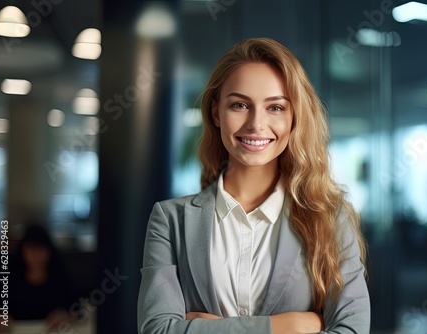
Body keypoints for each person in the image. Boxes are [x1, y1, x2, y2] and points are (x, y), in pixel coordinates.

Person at [138, 37, 370, 334]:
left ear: (294, 116)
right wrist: (289, 325)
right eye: (239, 105)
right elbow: (157, 330)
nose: (256, 124)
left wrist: (208, 327)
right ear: (215, 113)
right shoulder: (170, 220)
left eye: (275, 108)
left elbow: (352, 330)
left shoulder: (330, 217)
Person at [0, 224, 79, 332]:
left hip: (51, 330)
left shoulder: (60, 276)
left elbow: (78, 310)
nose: (36, 256)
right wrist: (0, 317)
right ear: (23, 250)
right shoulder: (9, 276)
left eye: (40, 250)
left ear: (49, 251)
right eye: (31, 250)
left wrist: (65, 316)